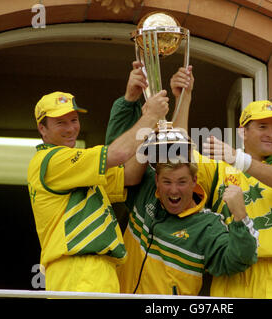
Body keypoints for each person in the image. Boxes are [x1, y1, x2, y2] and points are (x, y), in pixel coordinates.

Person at [105, 62, 258, 295]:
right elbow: (114, 158)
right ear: (156, 181)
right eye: (166, 182)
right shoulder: (145, 190)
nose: (173, 190)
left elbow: (238, 260)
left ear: (195, 181)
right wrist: (128, 100)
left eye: (182, 182)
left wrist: (240, 218)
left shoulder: (207, 225)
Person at [27, 89, 168, 293]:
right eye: (60, 122)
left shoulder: (79, 170)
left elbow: (129, 175)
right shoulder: (51, 160)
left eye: (74, 120)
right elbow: (117, 153)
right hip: (77, 270)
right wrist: (149, 116)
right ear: (42, 129)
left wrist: (148, 132)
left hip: (98, 270)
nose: (70, 128)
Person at [201, 100, 272, 299]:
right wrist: (184, 98)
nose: (270, 134)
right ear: (242, 132)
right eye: (262, 127)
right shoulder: (218, 169)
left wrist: (239, 159)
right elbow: (175, 156)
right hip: (230, 274)